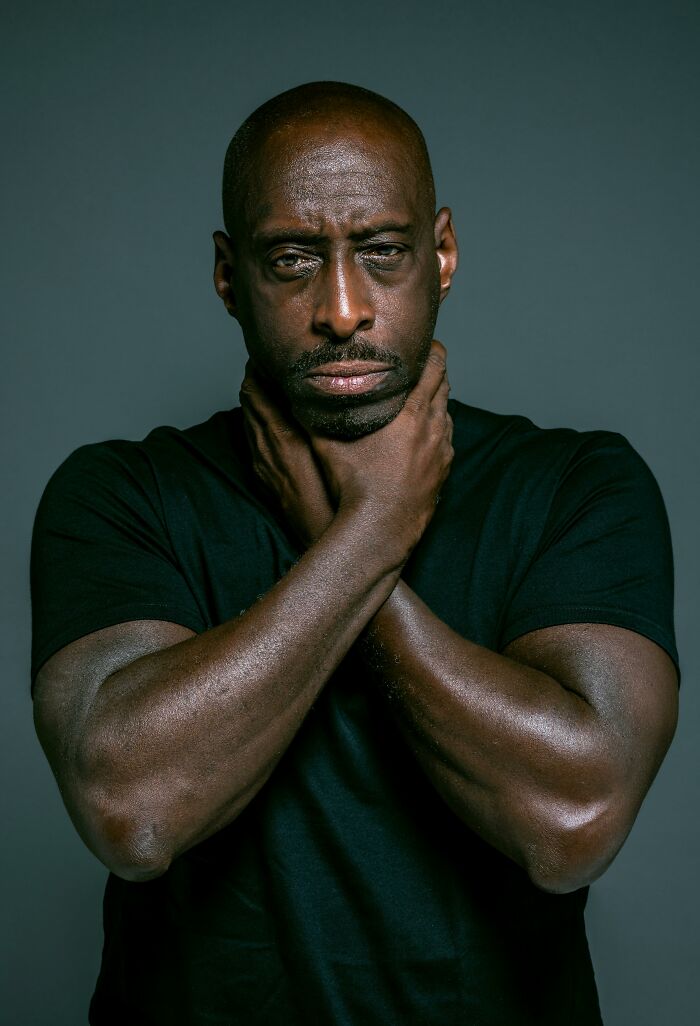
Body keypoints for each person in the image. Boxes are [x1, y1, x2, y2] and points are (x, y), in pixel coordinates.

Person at [31, 81, 679, 1025]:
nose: (341, 310)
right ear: (228, 275)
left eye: (381, 252)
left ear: (442, 254)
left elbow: (572, 823)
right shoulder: (124, 495)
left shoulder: (575, 486)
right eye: (292, 259)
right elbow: (132, 811)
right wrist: (368, 530)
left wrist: (345, 531)